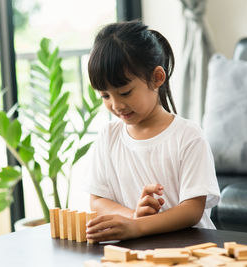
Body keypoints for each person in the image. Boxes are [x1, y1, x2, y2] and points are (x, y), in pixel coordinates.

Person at [85, 20, 220, 242]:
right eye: (105, 96)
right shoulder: (108, 137)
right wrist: (133, 218)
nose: (116, 105)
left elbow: (192, 209)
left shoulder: (188, 136)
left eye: (125, 92)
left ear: (157, 78)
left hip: (193, 249)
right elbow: (98, 200)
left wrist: (138, 226)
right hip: (140, 251)